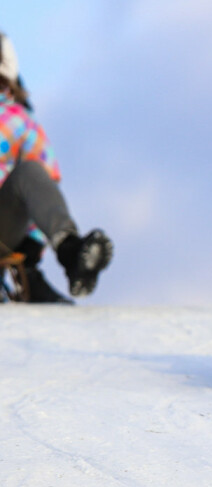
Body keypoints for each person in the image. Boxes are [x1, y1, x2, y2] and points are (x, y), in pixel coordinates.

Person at [0, 31, 113, 302]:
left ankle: (70, 250)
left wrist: (32, 244)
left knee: (31, 172)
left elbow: (42, 184)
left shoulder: (20, 122)